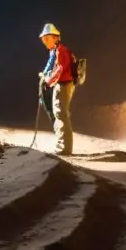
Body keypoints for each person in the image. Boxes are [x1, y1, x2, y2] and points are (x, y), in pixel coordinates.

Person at [38, 23, 76, 157]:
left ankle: (64, 148)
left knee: (60, 114)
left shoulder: (60, 51)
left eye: (47, 38)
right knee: (60, 113)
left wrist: (48, 81)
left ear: (55, 38)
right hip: (61, 84)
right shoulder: (55, 51)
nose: (45, 42)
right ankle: (63, 146)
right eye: (43, 39)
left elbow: (59, 69)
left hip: (64, 85)